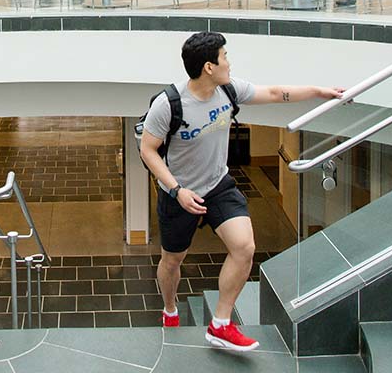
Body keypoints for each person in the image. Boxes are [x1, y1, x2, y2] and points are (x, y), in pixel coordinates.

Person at [140, 32, 343, 351]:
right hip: (178, 193)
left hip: (217, 184)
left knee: (244, 247)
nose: (229, 62)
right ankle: (169, 310)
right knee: (172, 261)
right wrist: (177, 189)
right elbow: (148, 150)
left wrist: (320, 91)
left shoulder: (229, 90)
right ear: (209, 67)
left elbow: (276, 93)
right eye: (224, 56)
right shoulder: (170, 104)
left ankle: (220, 324)